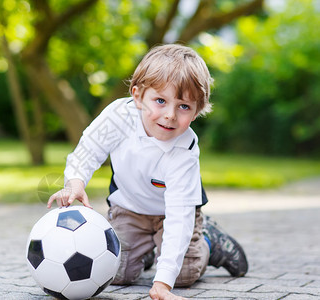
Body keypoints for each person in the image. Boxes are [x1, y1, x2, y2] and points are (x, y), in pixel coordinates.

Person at [47, 44, 248, 300]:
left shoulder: (184, 151)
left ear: (197, 111)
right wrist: (75, 181)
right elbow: (90, 148)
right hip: (129, 207)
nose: (170, 116)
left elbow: (179, 216)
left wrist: (163, 284)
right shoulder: (119, 116)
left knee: (183, 274)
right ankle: (148, 250)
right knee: (116, 273)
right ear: (138, 96)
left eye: (184, 106)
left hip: (171, 213)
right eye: (160, 101)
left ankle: (209, 241)